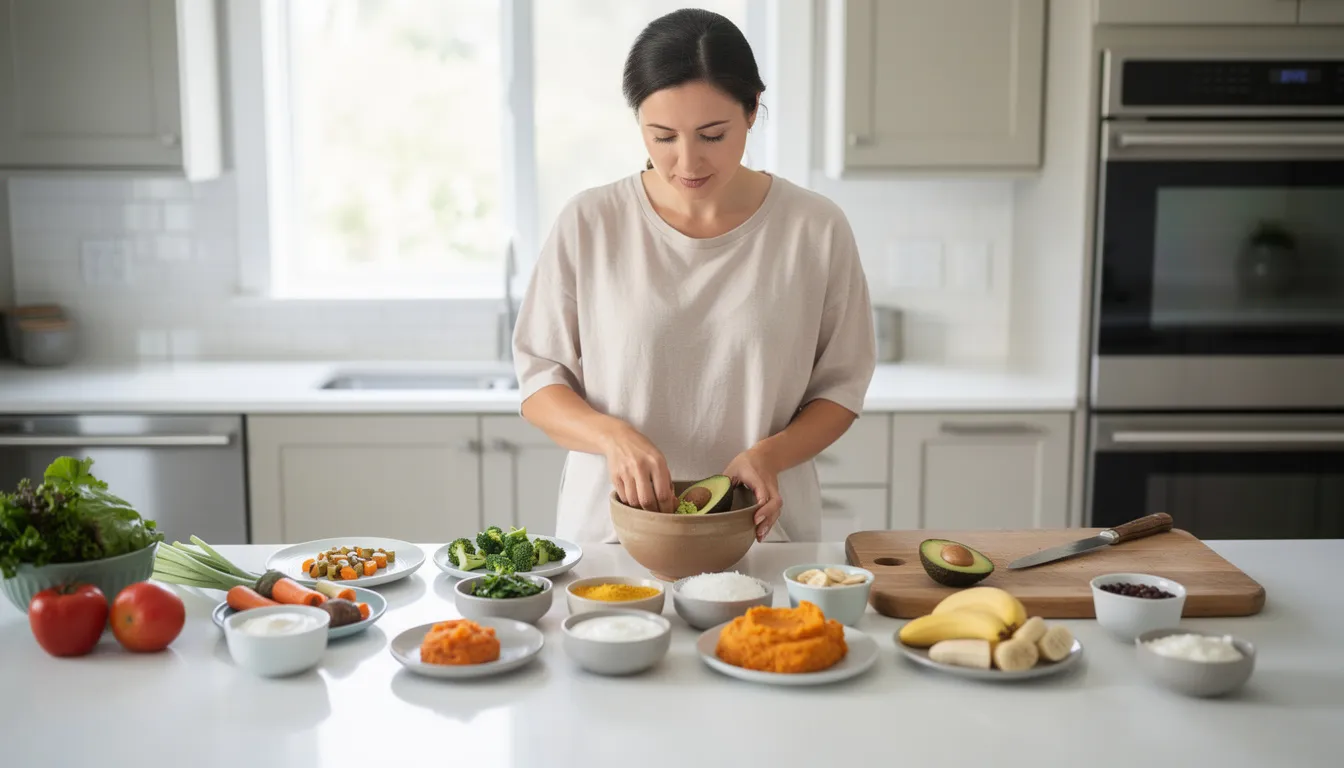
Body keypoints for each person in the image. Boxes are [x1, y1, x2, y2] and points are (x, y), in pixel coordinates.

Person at [512, 8, 876, 545]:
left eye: (712, 134)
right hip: (612, 535)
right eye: (661, 137)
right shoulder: (591, 222)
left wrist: (770, 455)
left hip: (761, 533)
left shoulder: (814, 228)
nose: (687, 162)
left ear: (753, 110)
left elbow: (841, 388)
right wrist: (611, 437)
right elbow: (540, 381)